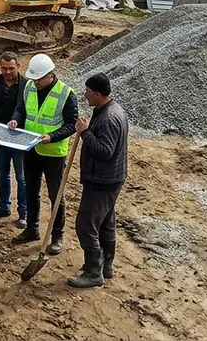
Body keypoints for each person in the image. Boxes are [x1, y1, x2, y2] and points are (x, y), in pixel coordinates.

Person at [8, 53, 78, 255]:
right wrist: (15, 119)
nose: (35, 82)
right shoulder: (29, 87)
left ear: (50, 75)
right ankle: (32, 229)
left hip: (53, 153)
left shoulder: (66, 94)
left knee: (56, 196)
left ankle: (57, 236)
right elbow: (21, 109)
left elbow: (72, 123)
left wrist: (52, 136)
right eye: (33, 78)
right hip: (31, 149)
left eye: (38, 79)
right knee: (31, 191)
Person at [68, 73, 129, 288]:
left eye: (87, 92)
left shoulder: (109, 118)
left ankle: (94, 272)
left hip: (103, 180)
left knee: (86, 225)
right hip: (111, 178)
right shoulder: (110, 110)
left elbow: (105, 151)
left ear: (97, 93)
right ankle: (106, 266)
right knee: (105, 221)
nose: (85, 96)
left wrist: (85, 133)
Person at [0, 52, 28, 228]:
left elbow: (23, 108)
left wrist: (17, 121)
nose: (7, 72)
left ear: (18, 66)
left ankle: (23, 213)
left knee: (22, 178)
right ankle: (4, 206)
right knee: (2, 174)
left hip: (18, 138)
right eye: (4, 68)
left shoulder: (26, 86)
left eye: (11, 68)